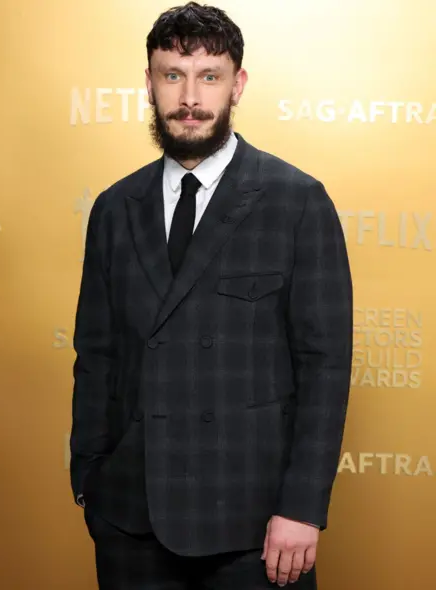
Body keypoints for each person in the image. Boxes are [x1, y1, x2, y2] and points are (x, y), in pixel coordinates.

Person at [69, 2, 353, 589]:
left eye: (208, 76)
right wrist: (89, 479)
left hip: (254, 522)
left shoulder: (296, 201)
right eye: (173, 75)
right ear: (149, 84)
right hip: (129, 513)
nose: (190, 97)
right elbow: (95, 355)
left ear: (237, 84)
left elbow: (325, 367)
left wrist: (302, 508)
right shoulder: (114, 208)